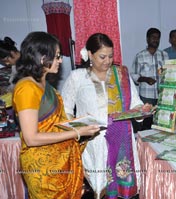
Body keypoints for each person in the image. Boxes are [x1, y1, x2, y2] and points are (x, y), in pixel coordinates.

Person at [12, 31, 100, 198]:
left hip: (60, 162)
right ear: (42, 58)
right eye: (57, 56)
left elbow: (56, 122)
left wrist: (80, 124)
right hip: (42, 170)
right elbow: (31, 138)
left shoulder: (45, 86)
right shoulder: (27, 89)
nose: (60, 60)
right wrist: (76, 132)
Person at [61, 33, 150, 199]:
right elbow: (65, 109)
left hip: (122, 140)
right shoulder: (77, 77)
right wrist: (77, 130)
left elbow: (135, 104)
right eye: (102, 56)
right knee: (99, 187)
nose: (107, 61)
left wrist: (142, 109)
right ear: (89, 54)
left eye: (110, 56)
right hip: (93, 142)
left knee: (123, 187)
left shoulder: (121, 75)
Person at [131, 27, 169, 130]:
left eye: (158, 38)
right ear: (147, 39)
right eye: (153, 37)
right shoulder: (140, 56)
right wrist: (145, 79)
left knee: (161, 123)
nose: (156, 40)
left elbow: (169, 73)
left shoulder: (164, 55)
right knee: (147, 124)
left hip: (163, 95)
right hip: (147, 96)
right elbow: (134, 75)